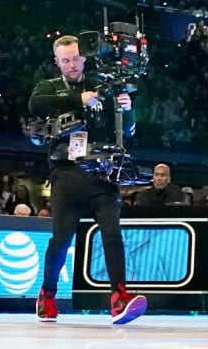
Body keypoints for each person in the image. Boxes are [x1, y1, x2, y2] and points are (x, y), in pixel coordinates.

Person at [29, 35, 146, 326]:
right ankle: (48, 295)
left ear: (85, 58)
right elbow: (35, 105)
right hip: (66, 172)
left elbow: (128, 130)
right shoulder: (48, 87)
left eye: (76, 58)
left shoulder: (102, 83)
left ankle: (119, 297)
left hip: (102, 171)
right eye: (65, 59)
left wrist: (127, 107)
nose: (71, 64)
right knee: (61, 239)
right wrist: (77, 99)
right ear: (57, 62)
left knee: (112, 234)